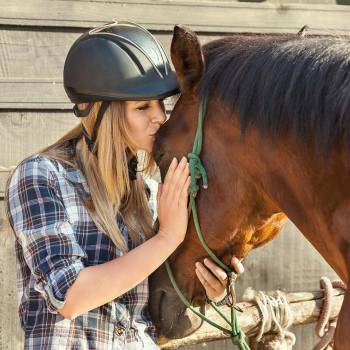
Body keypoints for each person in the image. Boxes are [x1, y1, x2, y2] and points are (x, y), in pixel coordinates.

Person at [4, 20, 244, 349]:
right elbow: (71, 297)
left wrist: (207, 290)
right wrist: (168, 237)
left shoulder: (148, 191)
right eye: (142, 107)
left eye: (161, 103)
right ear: (105, 113)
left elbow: (157, 320)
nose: (159, 117)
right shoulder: (41, 177)